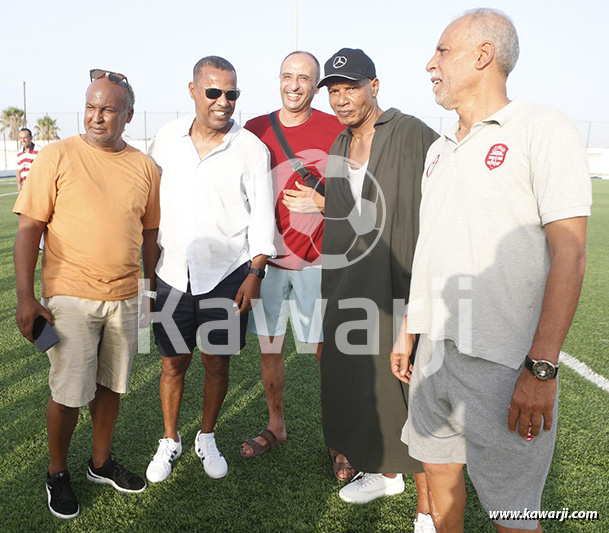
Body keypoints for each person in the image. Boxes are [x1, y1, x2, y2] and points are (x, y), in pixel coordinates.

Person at [397, 9, 591, 533]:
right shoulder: (439, 150)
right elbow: (431, 247)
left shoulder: (541, 127)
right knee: (440, 484)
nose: (429, 64)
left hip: (506, 365)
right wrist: (409, 329)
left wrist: (542, 368)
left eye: (441, 52)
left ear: (483, 55)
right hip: (434, 354)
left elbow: (571, 253)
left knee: (514, 515)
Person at [14, 69, 160, 519]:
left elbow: (151, 235)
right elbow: (28, 228)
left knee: (111, 385)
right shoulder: (57, 155)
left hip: (124, 295)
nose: (97, 117)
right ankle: (57, 473)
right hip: (69, 295)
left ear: (128, 115)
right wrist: (25, 296)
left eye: (108, 109)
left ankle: (100, 463)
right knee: (68, 390)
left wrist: (148, 292)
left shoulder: (145, 167)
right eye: (91, 107)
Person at [319, 48, 438, 531]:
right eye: (334, 90)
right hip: (350, 287)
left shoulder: (409, 132)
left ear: (375, 85)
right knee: (362, 385)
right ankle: (384, 472)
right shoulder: (338, 147)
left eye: (351, 87)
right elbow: (346, 220)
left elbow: (441, 190)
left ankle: (427, 512)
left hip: (403, 285)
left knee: (413, 393)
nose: (343, 99)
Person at [145, 56, 275, 483]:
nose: (224, 102)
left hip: (227, 276)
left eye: (232, 94)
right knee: (171, 365)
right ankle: (170, 440)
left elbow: (261, 220)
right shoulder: (166, 138)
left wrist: (255, 273)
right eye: (214, 92)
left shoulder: (252, 149)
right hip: (170, 274)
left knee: (217, 364)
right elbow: (146, 200)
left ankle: (206, 435)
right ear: (193, 90)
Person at [241, 51, 344, 458]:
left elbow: (361, 192)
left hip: (316, 262)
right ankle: (275, 426)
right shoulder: (254, 129)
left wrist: (323, 201)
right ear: (278, 79)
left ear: (315, 85)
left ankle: (339, 439)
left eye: (303, 78)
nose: (294, 84)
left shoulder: (336, 129)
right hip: (268, 263)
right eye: (287, 75)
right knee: (270, 347)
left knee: (326, 354)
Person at [16, 128, 40, 193]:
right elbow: (19, 171)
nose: (23, 140)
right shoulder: (19, 153)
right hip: (25, 187)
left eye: (25, 138)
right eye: (20, 138)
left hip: (38, 187)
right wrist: (19, 184)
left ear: (31, 138)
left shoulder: (39, 151)